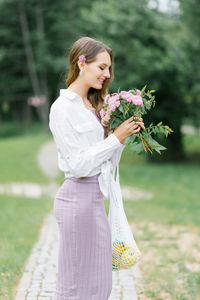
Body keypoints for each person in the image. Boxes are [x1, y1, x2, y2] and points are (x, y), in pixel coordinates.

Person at [49, 36, 144, 300]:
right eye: (102, 67)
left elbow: (108, 162)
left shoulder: (95, 106)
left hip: (95, 200)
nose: (107, 74)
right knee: (75, 285)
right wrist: (115, 138)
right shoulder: (63, 109)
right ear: (82, 63)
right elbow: (79, 165)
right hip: (77, 200)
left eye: (109, 68)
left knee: (100, 284)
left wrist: (121, 137)